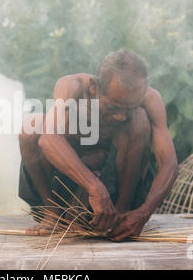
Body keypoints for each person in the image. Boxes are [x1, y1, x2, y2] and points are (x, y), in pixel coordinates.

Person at [18, 49, 178, 242]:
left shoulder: (151, 99)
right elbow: (48, 139)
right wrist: (95, 187)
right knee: (32, 126)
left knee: (139, 120)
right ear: (94, 87)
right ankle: (52, 214)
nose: (120, 116)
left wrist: (143, 213)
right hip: (67, 187)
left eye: (129, 108)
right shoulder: (72, 86)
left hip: (118, 189)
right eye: (112, 107)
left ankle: (122, 214)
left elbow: (169, 164)